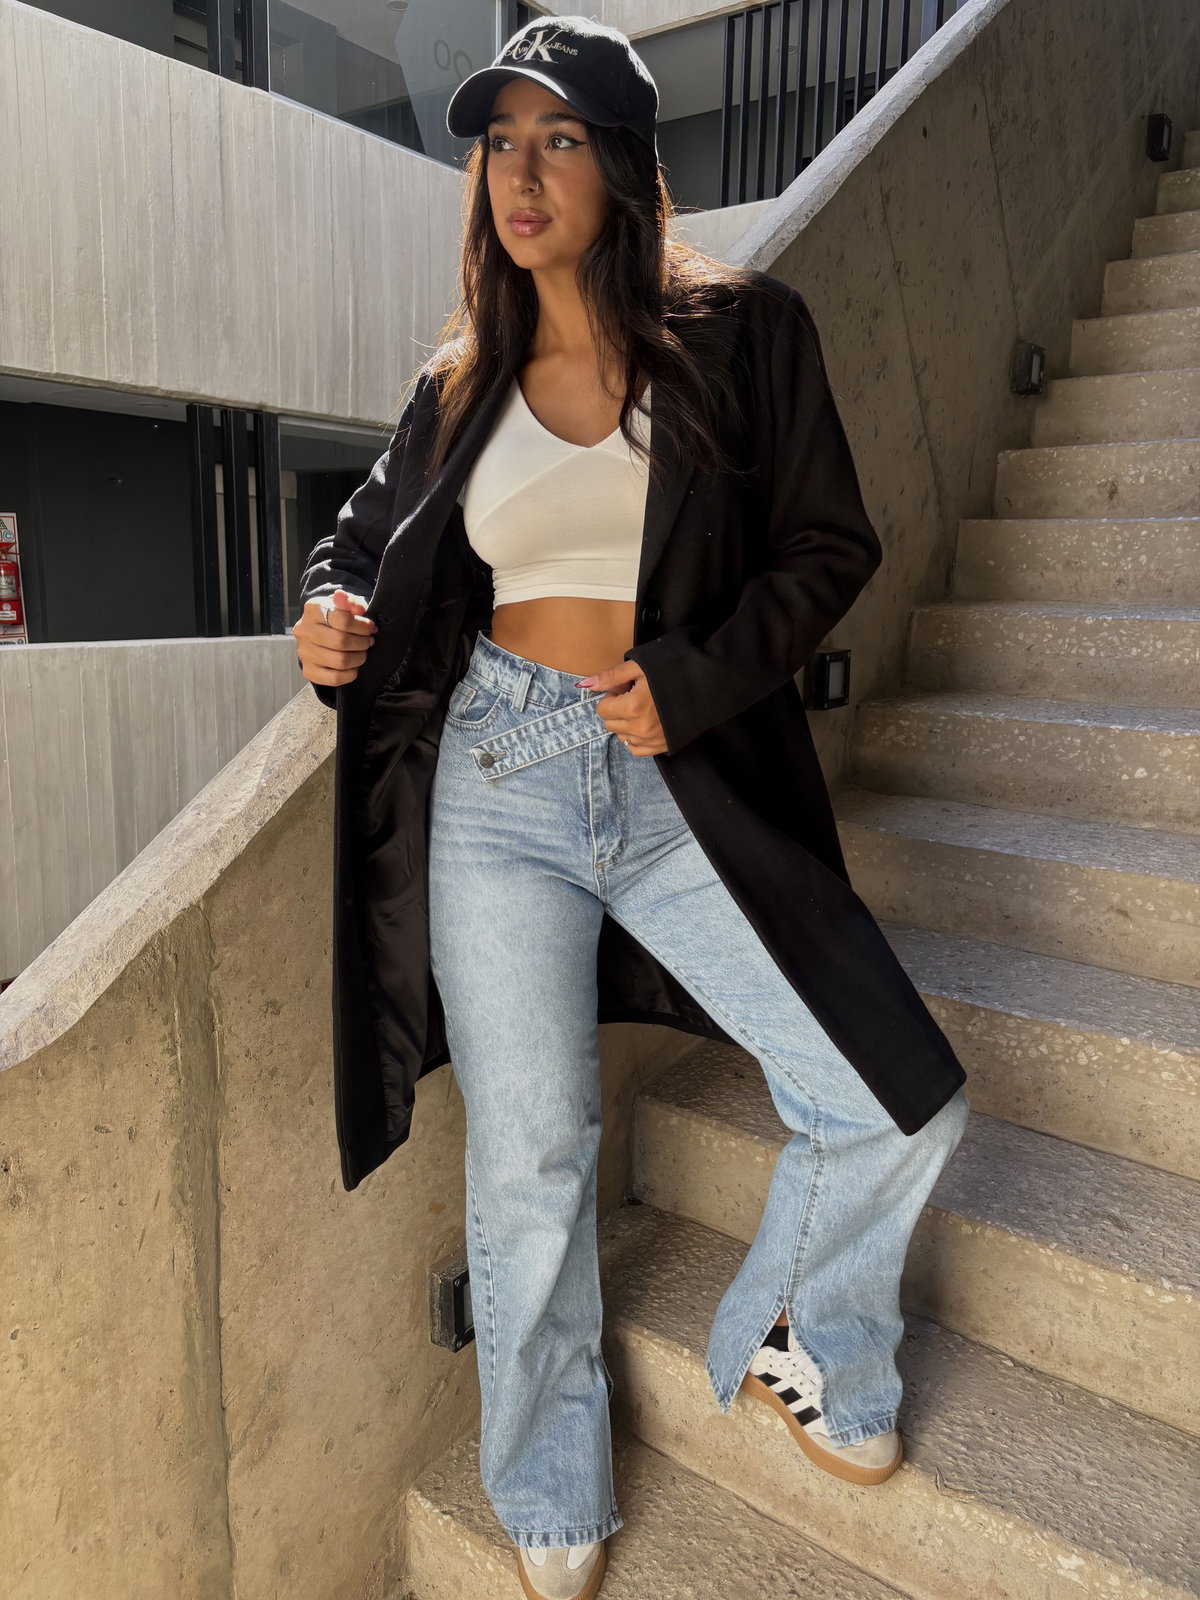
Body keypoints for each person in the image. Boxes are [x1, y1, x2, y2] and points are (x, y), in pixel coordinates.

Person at [294, 17, 970, 1600]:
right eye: (499, 144)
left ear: (625, 164)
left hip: (680, 774)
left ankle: (807, 1334)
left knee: (894, 1096)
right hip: (496, 781)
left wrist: (696, 677)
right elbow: (358, 547)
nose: (521, 175)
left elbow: (828, 545)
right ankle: (547, 1478)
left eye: (560, 139)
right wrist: (324, 618)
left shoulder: (748, 333)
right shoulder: (459, 382)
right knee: (533, 1154)